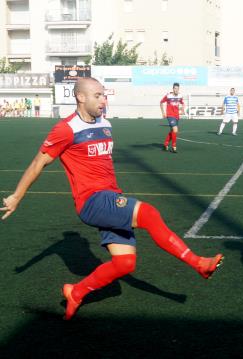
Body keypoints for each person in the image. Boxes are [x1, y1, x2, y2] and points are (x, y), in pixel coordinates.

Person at [1, 77, 224, 320]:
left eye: (104, 95)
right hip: (91, 201)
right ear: (80, 97)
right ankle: (199, 264)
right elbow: (38, 163)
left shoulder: (105, 123)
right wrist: (17, 196)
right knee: (148, 214)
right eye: (97, 95)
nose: (103, 100)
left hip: (110, 196)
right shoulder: (66, 128)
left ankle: (76, 292)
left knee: (125, 264)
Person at [160, 82, 184, 153]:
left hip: (176, 115)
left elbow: (182, 103)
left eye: (178, 88)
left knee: (172, 131)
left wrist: (182, 109)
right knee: (175, 130)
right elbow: (161, 102)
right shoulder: (168, 95)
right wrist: (163, 113)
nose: (176, 90)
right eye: (175, 88)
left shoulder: (180, 96)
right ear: (173, 89)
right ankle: (174, 147)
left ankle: (165, 144)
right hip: (170, 115)